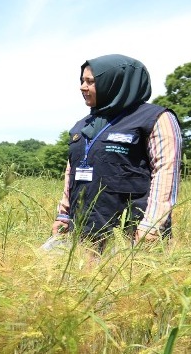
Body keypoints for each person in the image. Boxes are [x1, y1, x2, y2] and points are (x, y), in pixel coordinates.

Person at [50, 54, 182, 251]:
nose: (82, 87)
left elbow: (166, 172)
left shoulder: (156, 118)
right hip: (83, 230)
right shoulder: (82, 125)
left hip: (131, 234)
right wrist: (64, 214)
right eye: (82, 81)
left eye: (91, 81)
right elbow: (72, 172)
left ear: (115, 83)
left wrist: (151, 226)